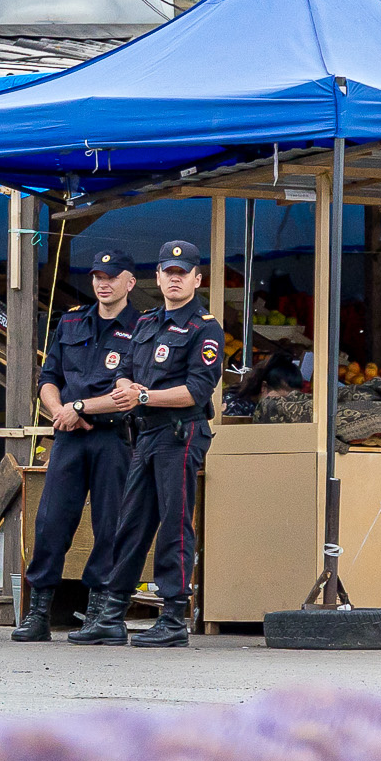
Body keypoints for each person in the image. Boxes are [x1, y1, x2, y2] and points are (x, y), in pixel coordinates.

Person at [12, 246, 146, 644]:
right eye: (97, 278)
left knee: (110, 525)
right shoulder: (71, 322)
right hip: (68, 435)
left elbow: (131, 391)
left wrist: (77, 407)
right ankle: (39, 613)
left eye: (112, 277)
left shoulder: (142, 328)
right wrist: (60, 411)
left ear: (130, 282)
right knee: (51, 521)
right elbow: (48, 377)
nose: (103, 284)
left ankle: (97, 612)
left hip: (113, 437)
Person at [105, 238, 227, 649]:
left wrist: (143, 397)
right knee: (132, 522)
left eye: (182, 273)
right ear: (156, 277)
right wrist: (126, 388)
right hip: (146, 433)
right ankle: (111, 613)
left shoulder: (205, 328)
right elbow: (122, 369)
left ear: (197, 278)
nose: (174, 279)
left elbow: (197, 391)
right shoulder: (145, 323)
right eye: (167, 272)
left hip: (180, 431)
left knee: (175, 524)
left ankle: (174, 616)